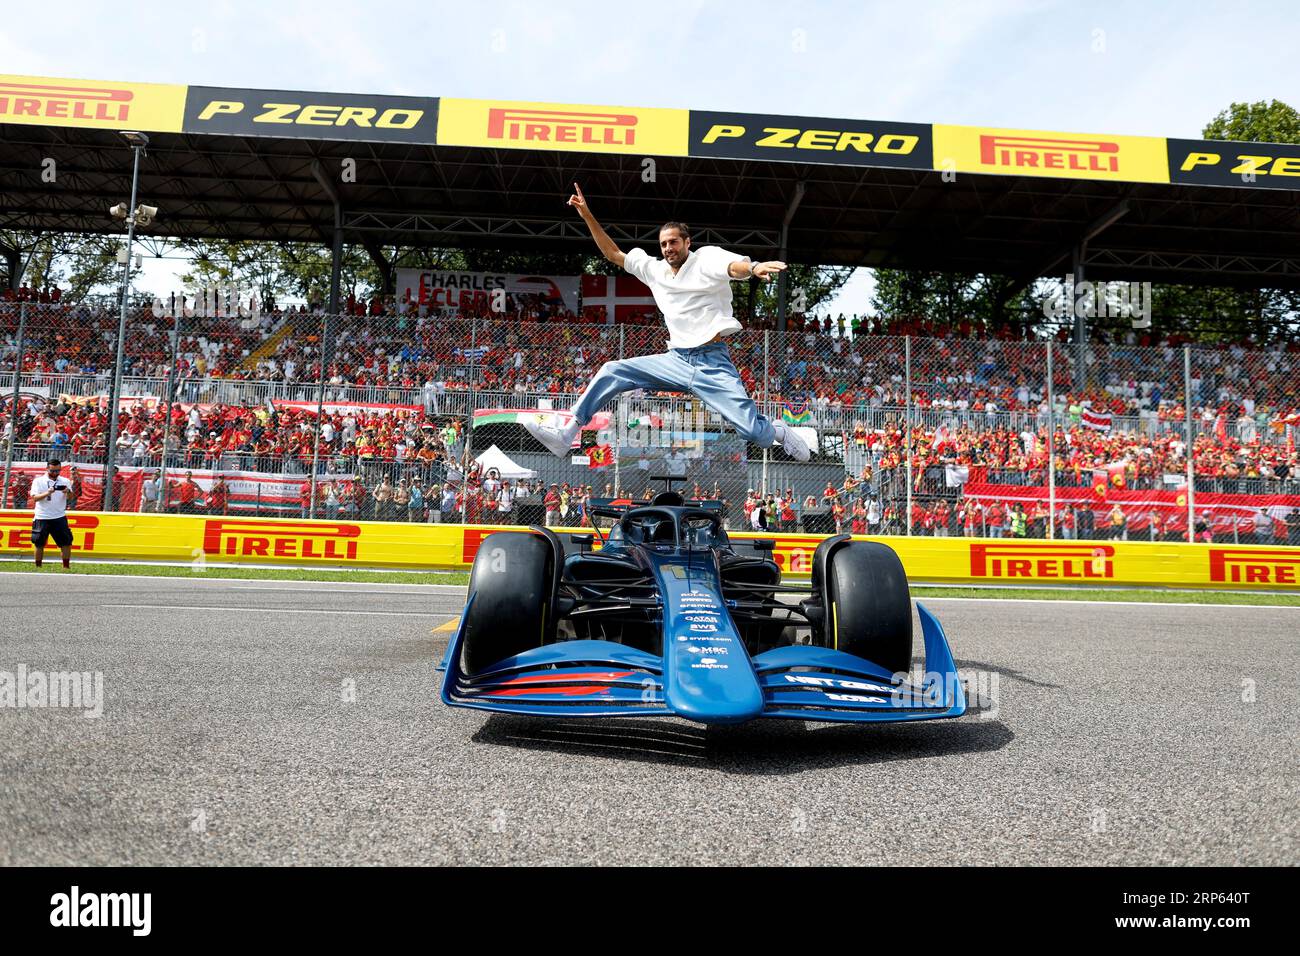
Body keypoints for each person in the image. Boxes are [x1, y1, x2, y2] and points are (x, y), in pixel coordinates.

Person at [524, 183, 810, 463]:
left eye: (674, 242)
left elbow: (734, 267)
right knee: (612, 370)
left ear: (688, 242)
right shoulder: (654, 270)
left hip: (711, 362)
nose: (668, 248)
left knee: (751, 431)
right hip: (676, 360)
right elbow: (612, 254)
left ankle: (779, 431)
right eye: (663, 244)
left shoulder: (706, 259)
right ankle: (567, 432)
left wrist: (754, 267)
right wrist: (587, 214)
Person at [29, 458, 74, 570]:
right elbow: (35, 498)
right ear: (47, 469)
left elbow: (71, 497)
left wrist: (68, 492)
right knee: (39, 543)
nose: (55, 473)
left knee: (66, 542)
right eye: (52, 471)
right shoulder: (38, 481)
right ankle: (38, 567)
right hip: (42, 516)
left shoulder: (65, 481)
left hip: (59, 516)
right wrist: (47, 493)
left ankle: (66, 567)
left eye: (58, 471)